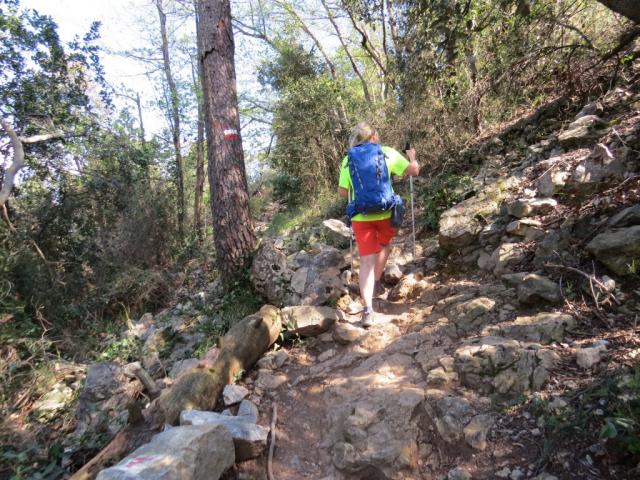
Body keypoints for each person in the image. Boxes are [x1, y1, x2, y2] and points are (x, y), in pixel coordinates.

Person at [338, 122, 419, 327]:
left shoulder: (348, 159)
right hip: (386, 213)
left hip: (361, 217)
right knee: (384, 246)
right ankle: (376, 282)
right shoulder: (387, 152)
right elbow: (414, 171)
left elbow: (343, 192)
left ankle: (368, 311)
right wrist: (412, 157)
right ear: (373, 136)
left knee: (366, 261)